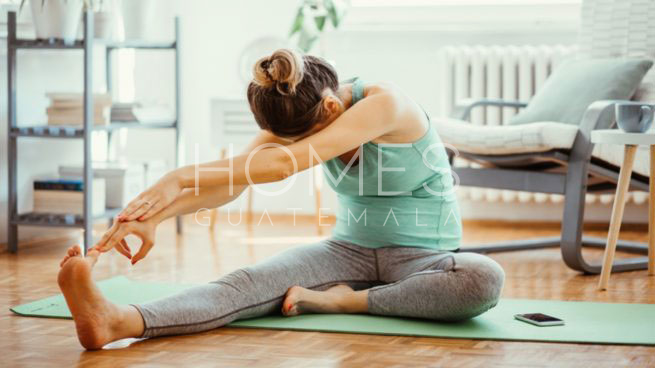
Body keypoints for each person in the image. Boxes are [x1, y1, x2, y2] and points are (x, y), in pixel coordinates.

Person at [57, 49, 505, 350]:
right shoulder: (298, 109)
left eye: (296, 139)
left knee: (482, 278)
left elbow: (280, 165)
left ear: (330, 110)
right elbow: (235, 181)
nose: (284, 144)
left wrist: (176, 177)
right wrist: (155, 214)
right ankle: (119, 320)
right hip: (344, 251)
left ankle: (345, 301)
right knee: (245, 282)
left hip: (422, 260)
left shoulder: (386, 105)